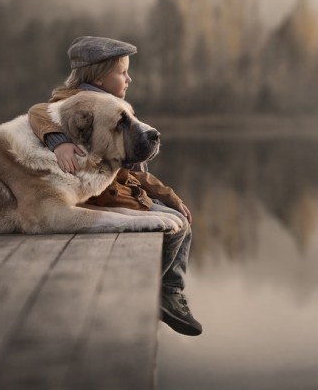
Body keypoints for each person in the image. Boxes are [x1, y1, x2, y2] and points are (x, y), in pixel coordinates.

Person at [27, 36, 202, 336]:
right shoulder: (77, 103)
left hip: (120, 191)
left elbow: (133, 172)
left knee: (180, 221)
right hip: (99, 198)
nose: (129, 78)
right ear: (98, 76)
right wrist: (57, 142)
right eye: (122, 72)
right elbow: (38, 111)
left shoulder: (113, 108)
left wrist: (168, 195)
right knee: (175, 228)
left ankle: (166, 291)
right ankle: (156, 292)